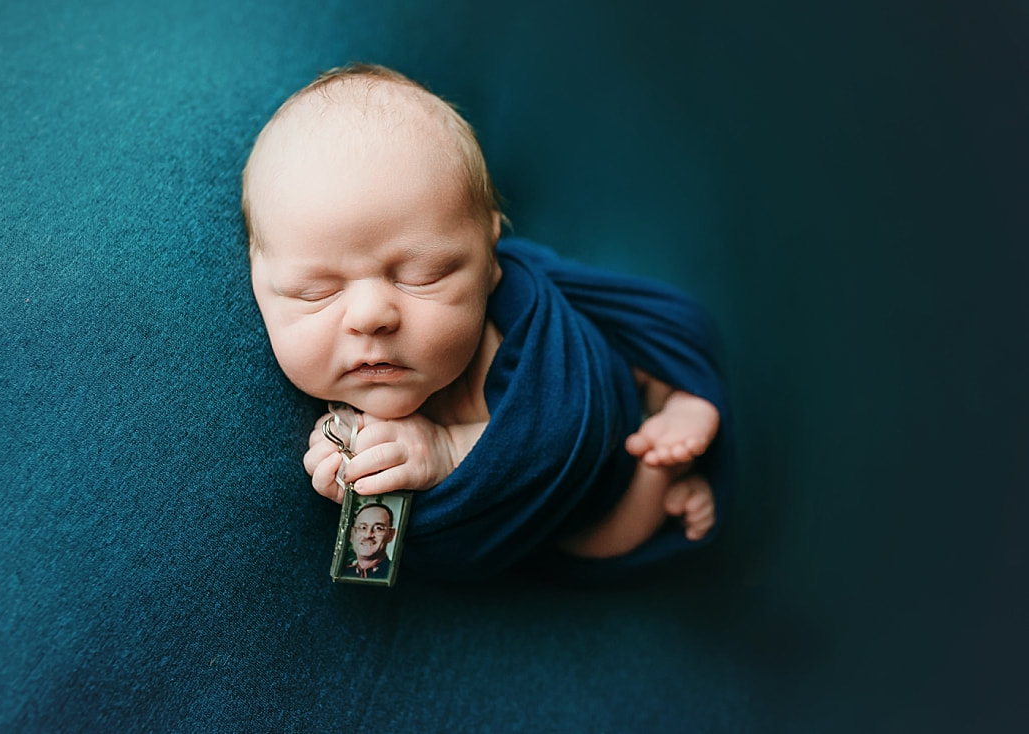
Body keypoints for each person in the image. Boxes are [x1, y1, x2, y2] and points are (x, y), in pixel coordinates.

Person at [243, 63, 723, 567]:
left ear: (489, 259)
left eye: (422, 274)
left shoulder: (521, 324)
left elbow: (566, 429)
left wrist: (447, 451)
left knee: (631, 382)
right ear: (260, 281)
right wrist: (353, 472)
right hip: (566, 519)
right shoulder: (342, 413)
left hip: (610, 411)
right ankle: (667, 479)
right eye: (315, 291)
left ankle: (672, 404)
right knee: (589, 542)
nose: (370, 316)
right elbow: (438, 545)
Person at [342, 502, 396, 580]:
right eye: (363, 527)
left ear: (391, 535)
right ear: (352, 534)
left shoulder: (396, 574)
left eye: (378, 528)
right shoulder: (345, 572)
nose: (368, 535)